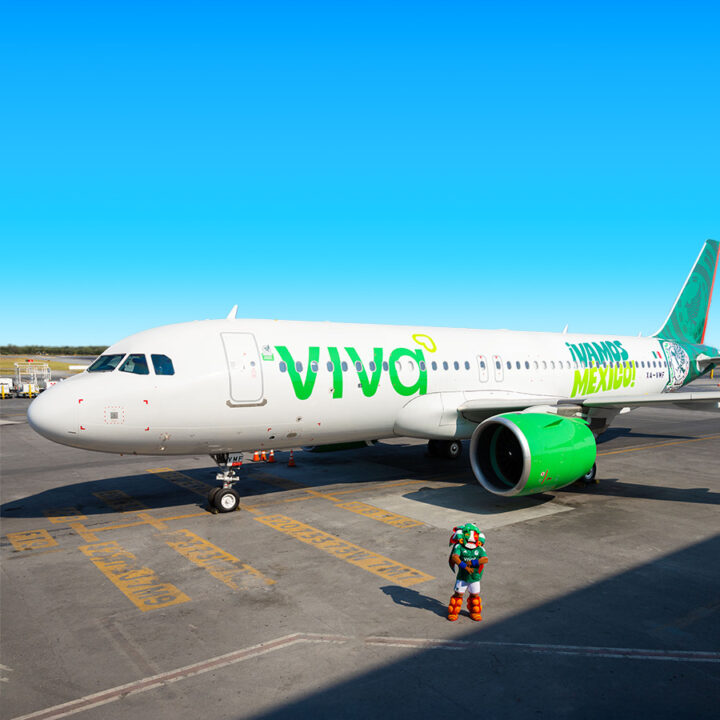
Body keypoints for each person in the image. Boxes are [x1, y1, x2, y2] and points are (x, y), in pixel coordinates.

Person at [447, 523, 488, 621]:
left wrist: (472, 563)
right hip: (462, 577)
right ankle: (453, 612)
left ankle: (474, 612)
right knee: (458, 594)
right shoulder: (459, 547)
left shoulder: (480, 549)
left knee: (475, 595)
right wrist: (465, 567)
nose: (471, 539)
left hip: (475, 577)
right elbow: (454, 557)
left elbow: (485, 559)